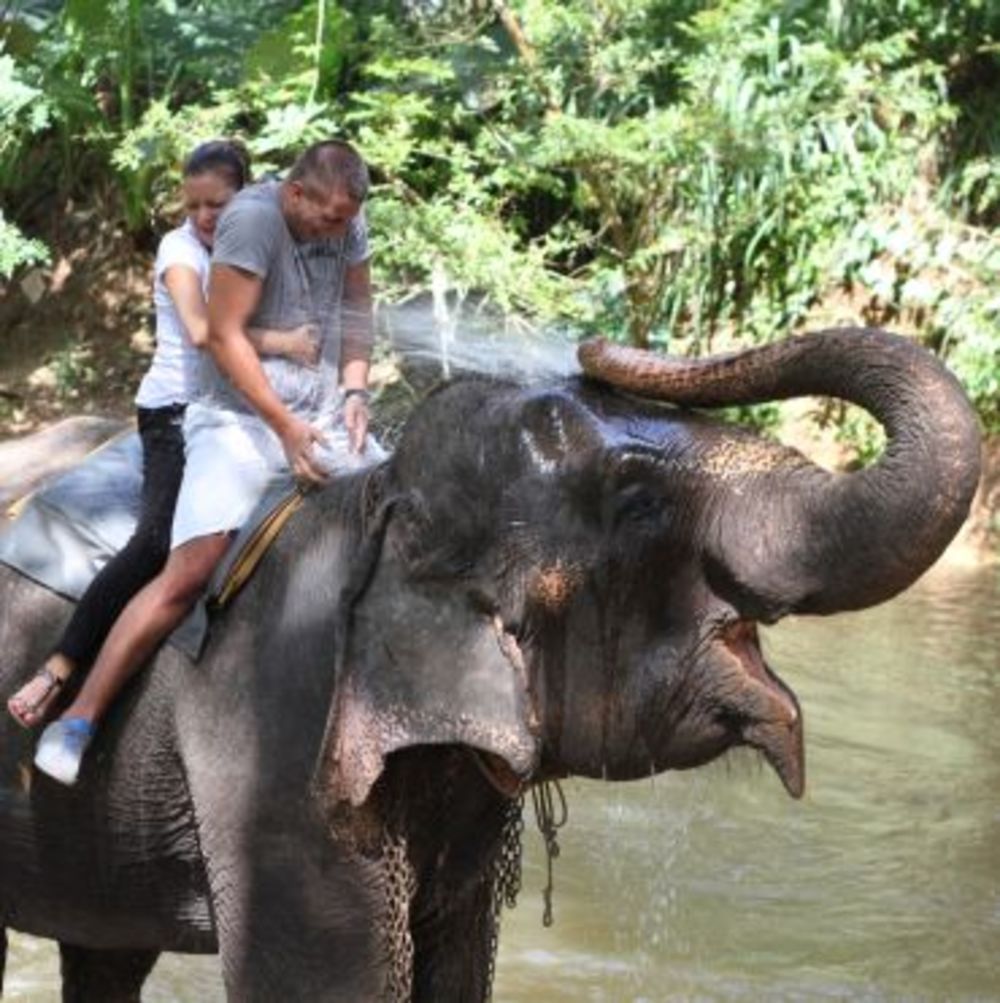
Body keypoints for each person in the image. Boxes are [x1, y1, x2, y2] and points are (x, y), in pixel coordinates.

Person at [33, 138, 377, 785]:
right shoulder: (249, 220)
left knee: (400, 516)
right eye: (330, 217)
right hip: (240, 421)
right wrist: (284, 428)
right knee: (188, 568)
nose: (340, 229)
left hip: (325, 414)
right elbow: (220, 335)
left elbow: (358, 312)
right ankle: (79, 715)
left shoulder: (349, 217)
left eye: (348, 219)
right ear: (296, 195)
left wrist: (355, 389)